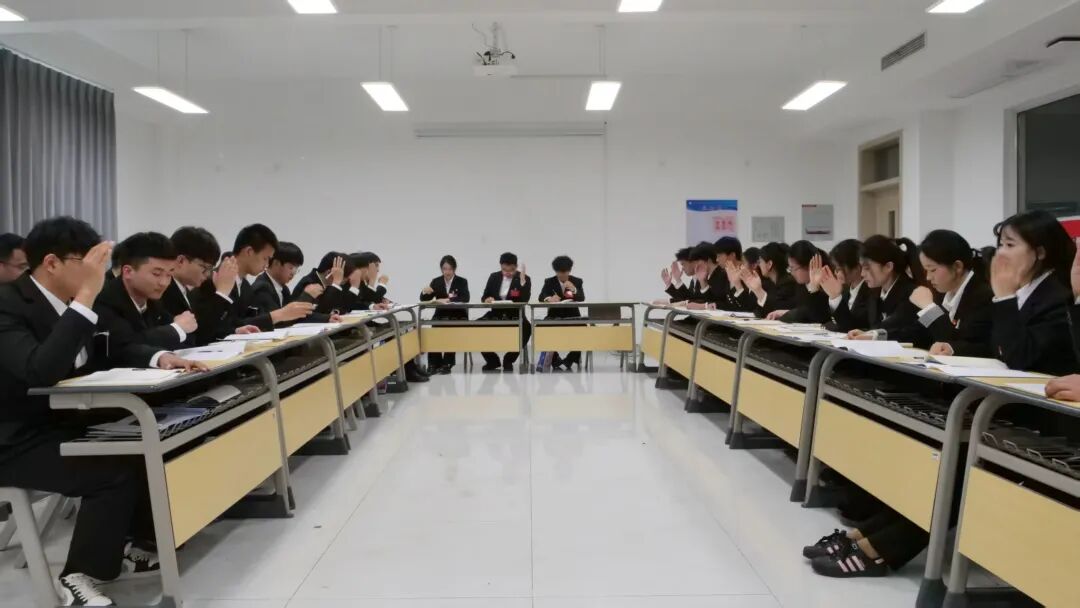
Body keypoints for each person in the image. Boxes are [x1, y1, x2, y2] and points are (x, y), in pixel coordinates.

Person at [0, 217, 198, 606]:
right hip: (17, 437)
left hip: (64, 420)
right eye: (89, 263)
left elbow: (111, 351)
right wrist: (86, 297)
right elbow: (39, 370)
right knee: (111, 471)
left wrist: (159, 356)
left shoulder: (72, 303)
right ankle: (80, 577)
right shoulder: (9, 304)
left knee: (147, 440)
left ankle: (138, 545)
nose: (99, 274)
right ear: (52, 263)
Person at [989, 209, 1075, 376]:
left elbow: (1021, 359)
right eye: (1000, 245)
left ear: (1040, 252)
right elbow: (999, 349)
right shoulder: (1022, 290)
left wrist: (1005, 298)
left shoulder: (1060, 296)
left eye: (1010, 245)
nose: (1001, 253)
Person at [197, 223, 313, 339]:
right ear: (249, 252)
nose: (267, 265)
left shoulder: (245, 286)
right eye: (265, 258)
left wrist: (236, 330)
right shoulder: (213, 279)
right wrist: (278, 315)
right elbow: (209, 327)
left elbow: (237, 323)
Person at [94, 232, 198, 356]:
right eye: (156, 274)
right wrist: (176, 329)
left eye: (169, 274)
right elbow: (126, 347)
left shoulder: (154, 300)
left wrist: (177, 328)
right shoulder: (105, 299)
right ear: (128, 272)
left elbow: (187, 338)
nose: (164, 283)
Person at [907, 230, 994, 356]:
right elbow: (921, 334)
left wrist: (929, 309)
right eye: (926, 270)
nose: (928, 277)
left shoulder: (983, 296)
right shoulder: (941, 292)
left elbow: (955, 340)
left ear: (957, 266)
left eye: (932, 270)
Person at [160, 226, 233, 346]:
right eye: (204, 267)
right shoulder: (164, 290)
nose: (207, 274)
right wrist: (222, 293)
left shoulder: (186, 290)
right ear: (180, 261)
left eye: (210, 269)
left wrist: (234, 331)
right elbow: (199, 336)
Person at [837, 236, 918, 338]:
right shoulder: (874, 293)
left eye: (867, 268)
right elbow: (865, 326)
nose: (862, 274)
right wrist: (864, 333)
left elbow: (900, 331)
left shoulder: (911, 293)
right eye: (862, 268)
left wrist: (872, 334)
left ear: (888, 267)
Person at [250, 241, 337, 324]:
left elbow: (296, 317)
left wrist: (327, 318)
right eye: (291, 268)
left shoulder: (284, 289)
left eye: (296, 269)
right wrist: (307, 296)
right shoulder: (262, 288)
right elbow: (279, 321)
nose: (293, 273)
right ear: (276, 263)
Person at [480, 252, 531, 372]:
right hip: (496, 313)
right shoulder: (493, 277)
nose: (508, 273)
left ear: (516, 267)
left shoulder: (524, 278)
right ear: (500, 266)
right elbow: (485, 296)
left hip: (515, 314)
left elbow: (525, 300)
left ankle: (509, 359)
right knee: (476, 327)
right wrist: (487, 299)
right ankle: (492, 360)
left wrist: (522, 283)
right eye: (504, 270)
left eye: (511, 270)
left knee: (527, 328)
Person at [420, 255, 470, 374]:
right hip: (441, 313)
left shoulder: (462, 281)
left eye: (450, 269)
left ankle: (447, 363)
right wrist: (425, 291)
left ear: (454, 269)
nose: (447, 272)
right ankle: (433, 363)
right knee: (433, 331)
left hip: (458, 314)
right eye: (444, 269)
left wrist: (448, 299)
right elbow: (424, 299)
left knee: (451, 330)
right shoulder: (436, 281)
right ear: (441, 269)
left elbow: (466, 297)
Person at [539, 255, 586, 371]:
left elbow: (581, 297)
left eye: (566, 272)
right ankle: (555, 359)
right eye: (560, 272)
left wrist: (574, 289)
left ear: (569, 270)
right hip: (554, 316)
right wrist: (549, 298)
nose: (563, 275)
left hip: (573, 316)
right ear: (556, 271)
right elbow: (541, 296)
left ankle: (570, 359)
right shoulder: (549, 281)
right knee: (540, 327)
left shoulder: (577, 281)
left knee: (583, 328)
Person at [768, 240, 831, 322]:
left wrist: (814, 289)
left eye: (793, 268)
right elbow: (804, 311)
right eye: (789, 268)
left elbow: (819, 317)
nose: (791, 273)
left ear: (809, 265)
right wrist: (787, 312)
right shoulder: (801, 285)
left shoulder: (827, 284)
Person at [737, 241, 798, 316]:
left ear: (769, 264)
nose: (759, 265)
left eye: (760, 262)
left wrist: (758, 291)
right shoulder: (770, 283)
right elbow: (758, 311)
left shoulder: (788, 284)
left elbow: (776, 310)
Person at [819, 239, 869, 331]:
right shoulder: (846, 290)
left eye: (838, 269)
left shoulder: (870, 292)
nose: (835, 273)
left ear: (857, 268)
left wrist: (835, 297)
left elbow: (850, 326)